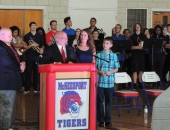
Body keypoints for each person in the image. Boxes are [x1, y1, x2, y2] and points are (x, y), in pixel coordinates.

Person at [0, 28, 26, 130]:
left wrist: (22, 62)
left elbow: (16, 58)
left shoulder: (9, 45)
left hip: (12, 80)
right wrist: (19, 66)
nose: (12, 37)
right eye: (9, 35)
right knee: (6, 106)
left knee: (11, 105)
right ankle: (6, 127)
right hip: (6, 81)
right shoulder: (1, 47)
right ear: (1, 36)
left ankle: (10, 125)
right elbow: (6, 62)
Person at [96, 37, 120, 127]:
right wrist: (100, 72)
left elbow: (117, 68)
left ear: (111, 45)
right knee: (100, 101)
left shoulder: (114, 56)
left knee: (109, 101)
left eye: (107, 43)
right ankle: (101, 119)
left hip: (110, 82)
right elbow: (95, 68)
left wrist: (110, 72)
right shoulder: (98, 55)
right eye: (104, 43)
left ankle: (108, 119)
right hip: (100, 81)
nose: (105, 45)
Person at [24, 22, 45, 94]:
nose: (33, 27)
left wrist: (42, 49)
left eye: (35, 26)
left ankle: (36, 88)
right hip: (29, 56)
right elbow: (25, 47)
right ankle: (27, 89)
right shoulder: (26, 36)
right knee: (28, 73)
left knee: (36, 73)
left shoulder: (39, 36)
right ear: (30, 27)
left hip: (37, 57)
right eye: (32, 26)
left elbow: (42, 45)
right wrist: (31, 45)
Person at [130, 23, 146, 89]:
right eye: (136, 26)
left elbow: (143, 47)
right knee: (135, 69)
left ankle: (140, 83)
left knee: (141, 69)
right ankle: (134, 84)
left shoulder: (143, 36)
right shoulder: (132, 36)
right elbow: (131, 47)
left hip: (141, 54)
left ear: (140, 27)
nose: (137, 27)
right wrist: (138, 47)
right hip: (134, 54)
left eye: (138, 26)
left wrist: (136, 47)